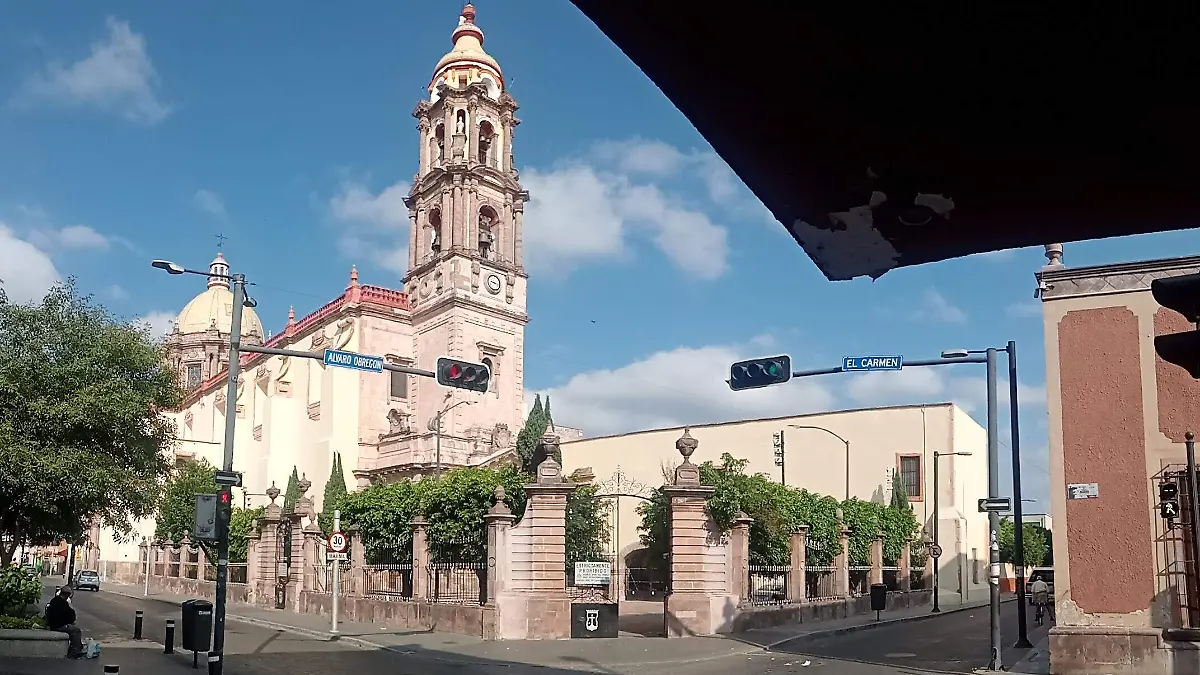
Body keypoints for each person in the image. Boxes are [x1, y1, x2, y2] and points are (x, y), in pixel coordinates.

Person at [45, 587, 84, 658]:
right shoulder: (63, 604)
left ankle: (76, 648)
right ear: (67, 595)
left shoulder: (54, 600)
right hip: (58, 625)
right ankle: (75, 650)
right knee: (76, 630)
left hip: (53, 624)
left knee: (73, 629)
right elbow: (70, 616)